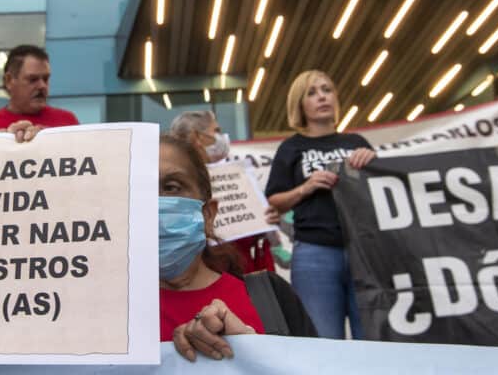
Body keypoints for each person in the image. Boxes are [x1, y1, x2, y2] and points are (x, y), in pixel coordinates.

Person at [159, 135, 316, 362]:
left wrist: (252, 352)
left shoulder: (271, 296)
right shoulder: (104, 318)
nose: (156, 203)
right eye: (138, 190)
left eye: (171, 187)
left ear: (208, 214)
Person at [264, 70, 376, 340]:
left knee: (374, 339)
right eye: (312, 93)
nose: (322, 97)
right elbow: (274, 201)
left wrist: (373, 160)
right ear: (299, 104)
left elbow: (383, 191)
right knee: (322, 341)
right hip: (315, 253)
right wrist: (306, 187)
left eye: (326, 90)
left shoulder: (357, 143)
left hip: (365, 250)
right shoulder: (291, 148)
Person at [169, 111, 276, 273]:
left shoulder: (237, 176)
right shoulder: (174, 185)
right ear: (197, 137)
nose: (222, 137)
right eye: (216, 131)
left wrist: (264, 218)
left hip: (240, 271)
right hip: (204, 272)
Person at [0, 44, 78, 142]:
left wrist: (55, 140)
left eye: (46, 79)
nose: (42, 86)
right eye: (33, 79)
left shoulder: (68, 122)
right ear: (9, 80)